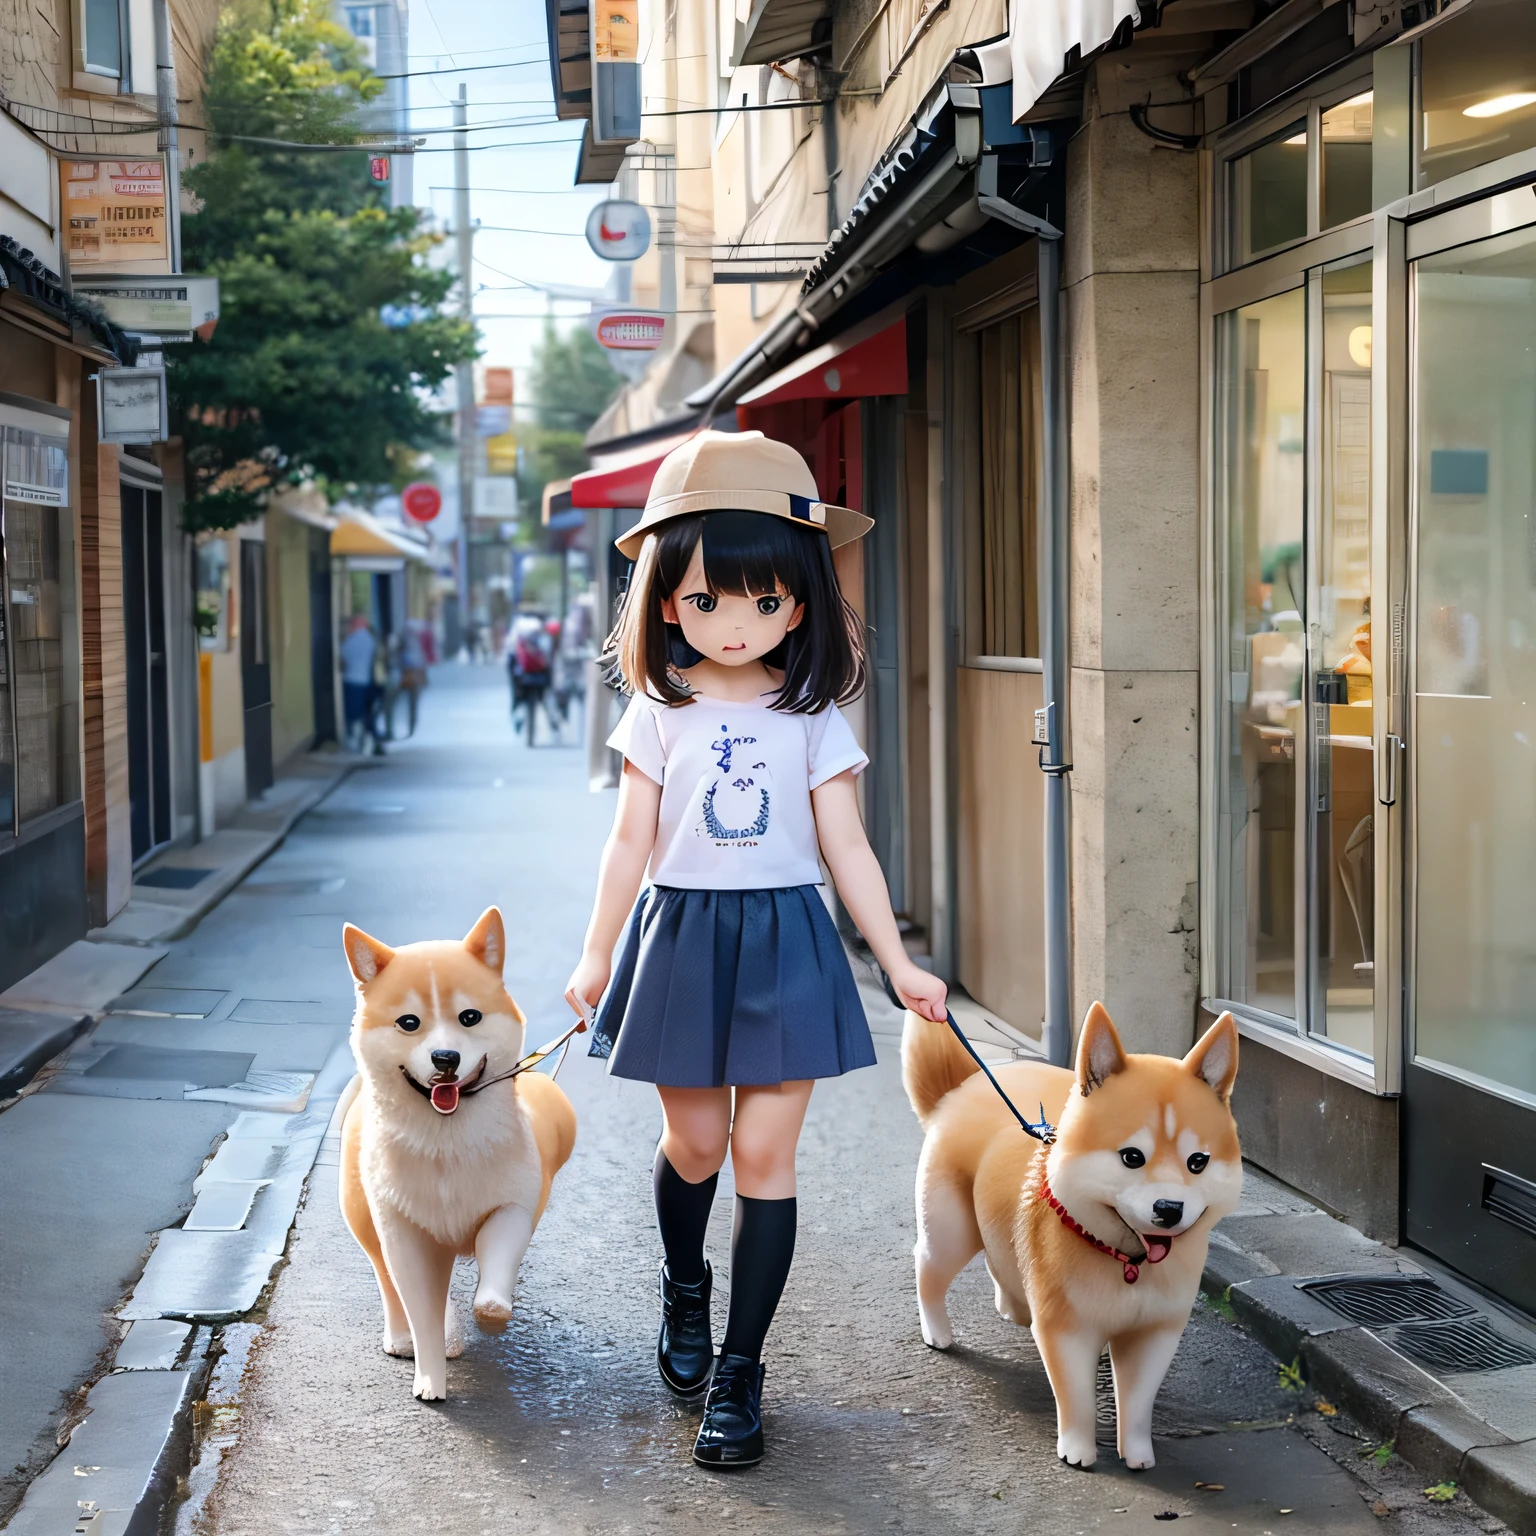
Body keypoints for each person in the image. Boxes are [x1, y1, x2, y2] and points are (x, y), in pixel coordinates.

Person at [564, 432, 946, 1469]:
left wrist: (900, 963)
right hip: (682, 932)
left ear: (803, 600)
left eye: (766, 602)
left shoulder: (812, 711)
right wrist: (596, 956)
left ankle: (740, 1375)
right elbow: (629, 842)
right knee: (696, 1149)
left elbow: (847, 845)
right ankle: (685, 1287)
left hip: (787, 937)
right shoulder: (660, 708)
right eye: (706, 602)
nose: (737, 624)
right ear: (664, 602)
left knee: (766, 1163)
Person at [339, 614, 378, 754]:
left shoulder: (349, 641)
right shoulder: (370, 640)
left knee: (352, 712)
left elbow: (342, 661)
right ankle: (366, 739)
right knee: (365, 712)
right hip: (367, 680)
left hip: (351, 680)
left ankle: (353, 739)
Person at [396, 619, 429, 738]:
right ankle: (411, 727)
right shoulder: (410, 646)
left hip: (412, 678)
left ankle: (412, 727)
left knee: (412, 704)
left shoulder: (412, 646)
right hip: (411, 678)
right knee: (412, 704)